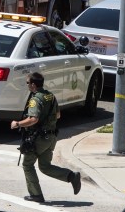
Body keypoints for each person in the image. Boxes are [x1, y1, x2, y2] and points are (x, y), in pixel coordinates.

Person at [11, 72, 81, 203]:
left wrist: (18, 124)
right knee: (45, 167)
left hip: (38, 139)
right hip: (51, 137)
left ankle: (36, 194)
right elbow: (58, 115)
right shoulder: (50, 96)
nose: (27, 85)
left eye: (27, 83)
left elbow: (33, 119)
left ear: (33, 85)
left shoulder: (35, 99)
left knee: (27, 165)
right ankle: (71, 176)